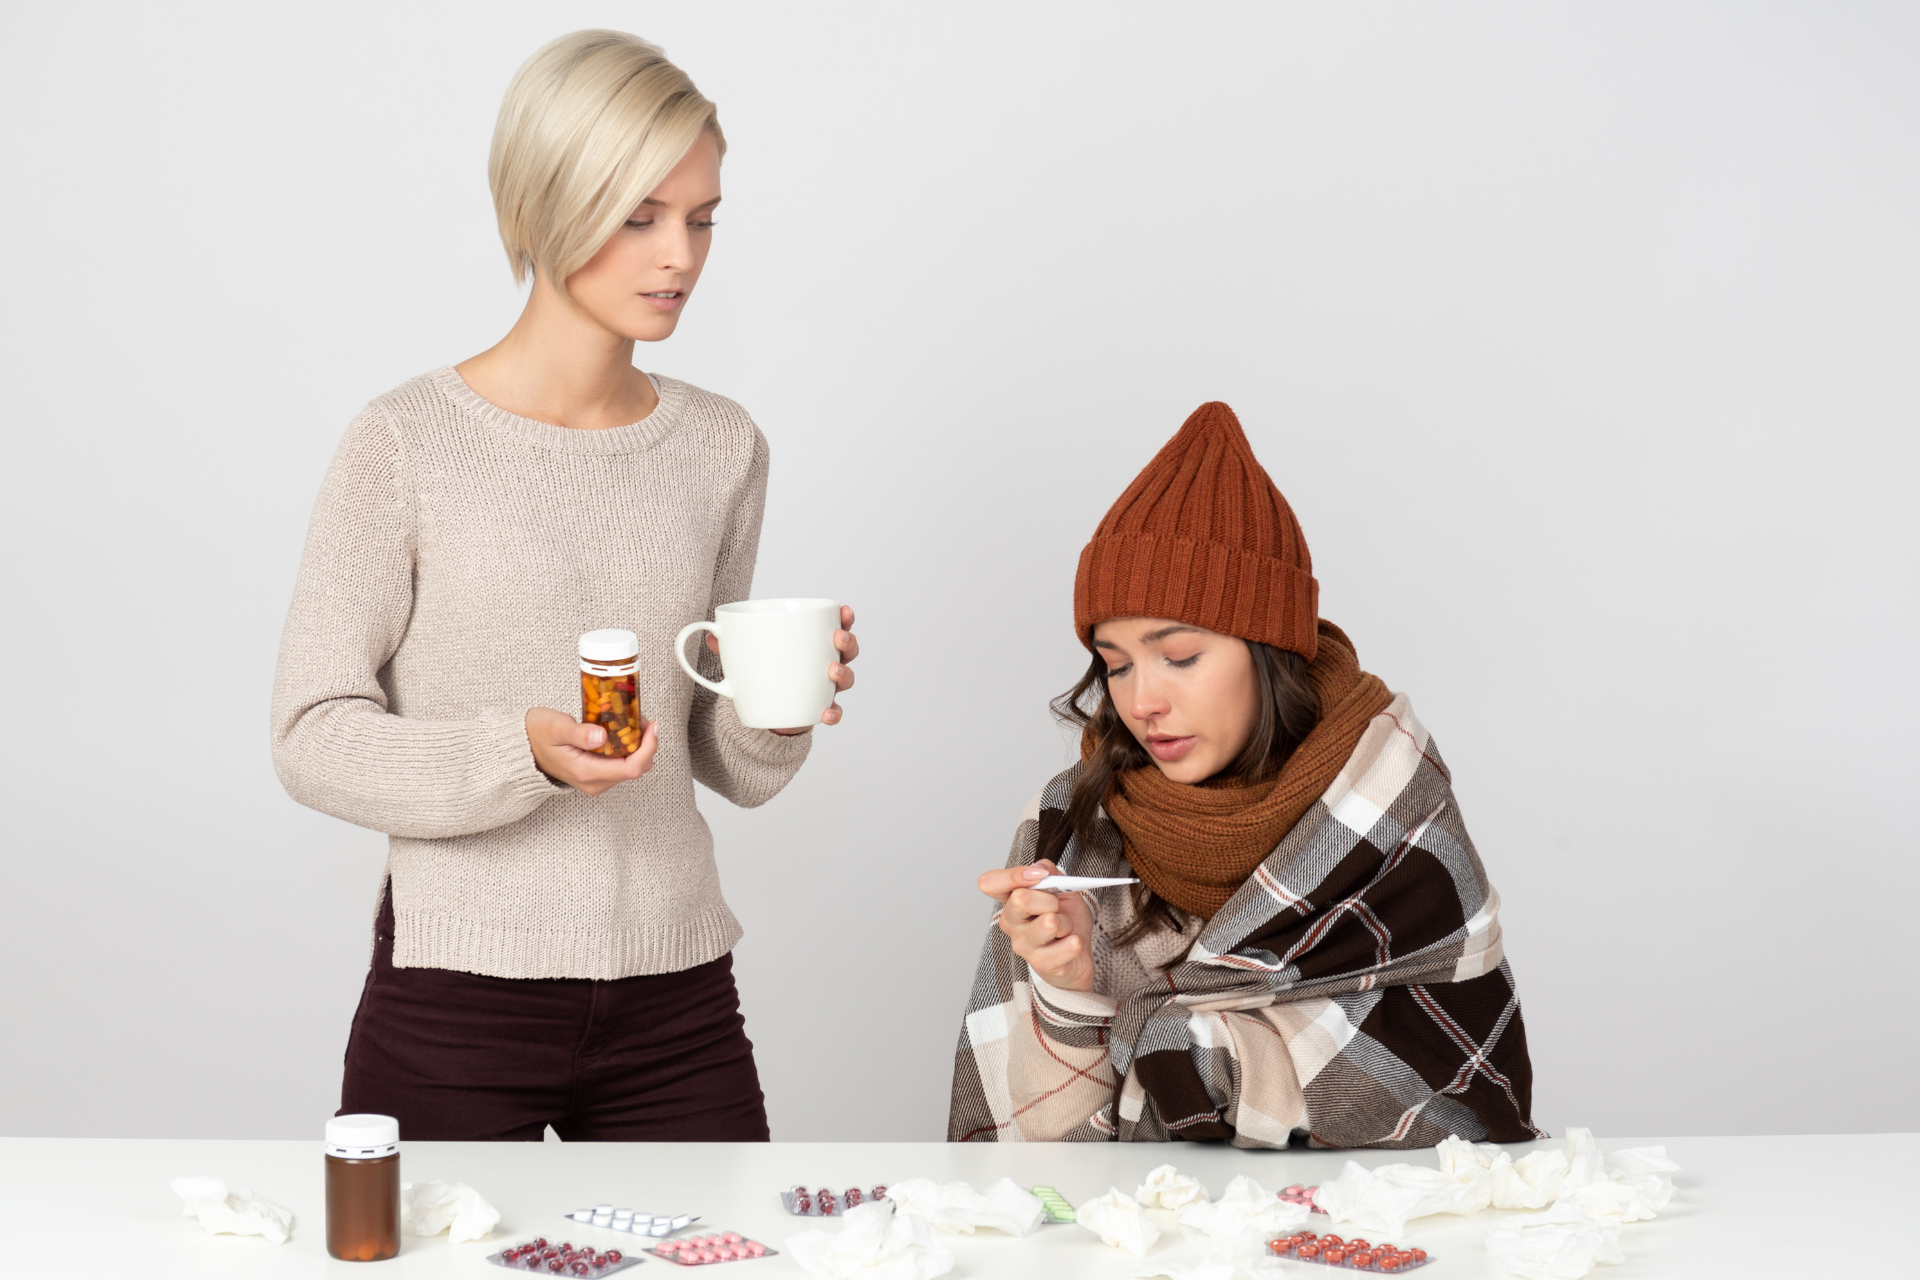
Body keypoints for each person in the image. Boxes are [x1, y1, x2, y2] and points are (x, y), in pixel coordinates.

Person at [271, 30, 858, 1141]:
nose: (680, 253)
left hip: (677, 993)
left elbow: (723, 760)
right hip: (455, 995)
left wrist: (778, 709)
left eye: (702, 215)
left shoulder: (722, 445)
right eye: (639, 215)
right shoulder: (404, 443)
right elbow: (309, 732)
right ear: (545, 205)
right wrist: (521, 751)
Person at [949, 402, 1538, 1148]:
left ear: (1269, 649)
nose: (1142, 701)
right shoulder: (1071, 823)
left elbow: (1456, 1101)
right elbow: (1041, 1162)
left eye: (1181, 656)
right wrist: (1067, 994)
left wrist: (1185, 1047)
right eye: (1116, 663)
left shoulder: (1395, 812)